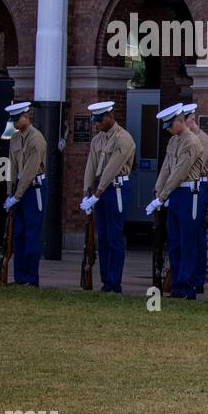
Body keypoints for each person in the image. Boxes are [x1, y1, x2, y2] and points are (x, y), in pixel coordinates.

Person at [147, 103, 206, 299]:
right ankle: (177, 284)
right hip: (174, 194)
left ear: (180, 121)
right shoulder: (173, 141)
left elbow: (180, 172)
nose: (169, 129)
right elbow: (166, 168)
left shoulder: (192, 142)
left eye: (171, 125)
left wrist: (163, 196)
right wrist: (158, 191)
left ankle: (187, 284)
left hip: (188, 193)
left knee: (187, 240)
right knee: (175, 242)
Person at [78, 100, 135, 293]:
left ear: (109, 117)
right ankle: (105, 280)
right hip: (99, 191)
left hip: (116, 188)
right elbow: (90, 166)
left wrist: (97, 193)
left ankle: (114, 282)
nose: (96, 125)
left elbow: (112, 169)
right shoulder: (98, 139)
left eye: (99, 121)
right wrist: (87, 192)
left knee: (114, 236)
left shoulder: (123, 138)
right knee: (101, 236)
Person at [3, 101, 47, 286]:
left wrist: (17, 195)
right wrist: (9, 192)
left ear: (27, 116)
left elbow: (30, 170)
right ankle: (20, 276)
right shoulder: (15, 138)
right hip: (18, 191)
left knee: (31, 234)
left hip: (33, 189)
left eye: (16, 118)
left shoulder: (36, 139)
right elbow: (11, 166)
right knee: (18, 233)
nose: (14, 123)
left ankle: (31, 278)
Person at [183, 104, 208, 294]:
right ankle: (188, 276)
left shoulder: (202, 140)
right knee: (186, 234)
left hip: (197, 185)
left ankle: (197, 278)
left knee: (196, 233)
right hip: (185, 187)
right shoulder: (184, 138)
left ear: (191, 120)